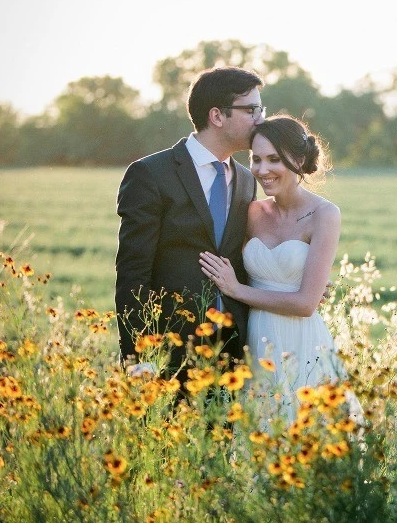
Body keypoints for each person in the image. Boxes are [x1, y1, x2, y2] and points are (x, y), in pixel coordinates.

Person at [114, 66, 265, 375]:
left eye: (261, 109)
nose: (260, 119)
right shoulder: (151, 174)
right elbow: (133, 271)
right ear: (217, 116)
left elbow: (245, 258)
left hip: (233, 350)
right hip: (169, 351)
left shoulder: (247, 180)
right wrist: (137, 355)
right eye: (251, 110)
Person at [199, 115, 346, 419]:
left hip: (301, 341)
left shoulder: (324, 215)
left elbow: (305, 304)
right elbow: (233, 265)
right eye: (256, 159)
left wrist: (237, 290)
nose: (262, 170)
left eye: (274, 159)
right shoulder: (252, 211)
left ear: (300, 159)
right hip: (255, 340)